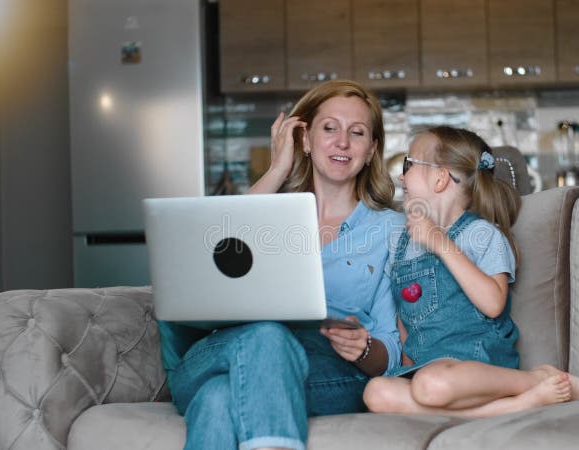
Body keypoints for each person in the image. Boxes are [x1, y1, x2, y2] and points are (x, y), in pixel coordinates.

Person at [158, 80, 405, 449]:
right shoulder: (266, 211)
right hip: (225, 349)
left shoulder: (391, 229)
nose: (342, 142)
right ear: (304, 140)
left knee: (218, 398)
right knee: (265, 335)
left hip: (327, 369)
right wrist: (276, 170)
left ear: (371, 151)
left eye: (357, 133)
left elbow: (390, 348)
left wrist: (364, 347)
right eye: (329, 128)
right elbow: (222, 250)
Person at [363, 126, 579, 418]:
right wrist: (405, 353)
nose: (401, 176)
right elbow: (405, 311)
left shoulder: (481, 234)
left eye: (408, 165)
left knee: (431, 386)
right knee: (376, 392)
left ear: (439, 178)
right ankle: (518, 404)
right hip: (426, 366)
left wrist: (440, 242)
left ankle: (535, 379)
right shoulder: (402, 242)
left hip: (477, 360)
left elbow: (493, 303)